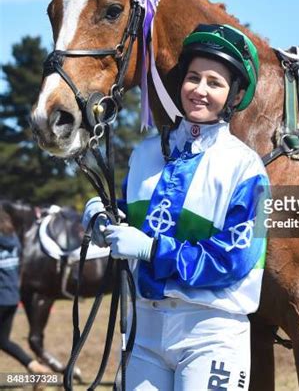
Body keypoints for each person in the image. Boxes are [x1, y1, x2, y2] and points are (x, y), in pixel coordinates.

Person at [83, 24, 269, 391]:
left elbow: (236, 260)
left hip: (212, 330)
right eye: (193, 78)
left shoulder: (249, 169)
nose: (200, 90)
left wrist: (152, 250)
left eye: (214, 83)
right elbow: (139, 221)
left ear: (234, 95)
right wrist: (104, 216)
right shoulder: (144, 154)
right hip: (143, 329)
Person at [0, 210, 50, 374]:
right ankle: (35, 367)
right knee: (3, 341)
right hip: (12, 297)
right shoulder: (14, 239)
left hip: (1, 298)